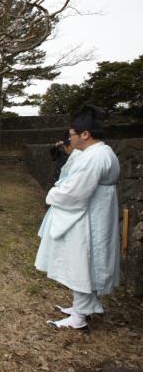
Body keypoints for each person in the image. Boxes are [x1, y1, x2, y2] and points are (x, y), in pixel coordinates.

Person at [35, 105, 120, 330]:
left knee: (83, 260)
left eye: (72, 134)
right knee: (84, 260)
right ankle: (82, 306)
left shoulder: (95, 156)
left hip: (89, 215)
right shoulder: (98, 153)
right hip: (93, 211)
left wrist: (53, 194)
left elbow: (76, 191)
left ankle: (79, 317)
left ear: (85, 134)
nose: (70, 139)